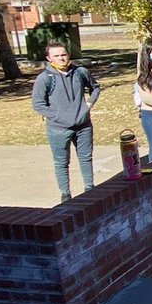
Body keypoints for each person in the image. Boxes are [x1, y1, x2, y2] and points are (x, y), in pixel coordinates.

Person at [30, 41, 102, 203]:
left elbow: (95, 87)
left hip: (83, 125)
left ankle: (90, 189)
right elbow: (38, 104)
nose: (61, 58)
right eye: (56, 56)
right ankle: (65, 194)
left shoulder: (80, 72)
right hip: (58, 129)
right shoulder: (44, 78)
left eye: (63, 54)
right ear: (49, 58)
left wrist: (88, 104)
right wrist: (56, 116)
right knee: (61, 162)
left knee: (85, 157)